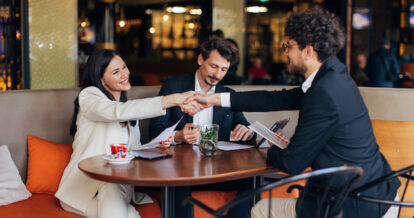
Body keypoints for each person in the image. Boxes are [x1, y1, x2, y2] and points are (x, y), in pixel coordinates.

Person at [184, 7, 400, 218]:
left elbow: (291, 163)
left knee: (257, 210)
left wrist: (266, 150)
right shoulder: (334, 74)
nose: (285, 51)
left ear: (308, 50)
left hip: (355, 206)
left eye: (289, 45)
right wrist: (213, 99)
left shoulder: (323, 93)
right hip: (380, 191)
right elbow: (275, 98)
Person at [55, 49, 200, 218]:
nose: (125, 74)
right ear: (101, 79)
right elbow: (116, 112)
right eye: (116, 72)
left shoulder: (128, 112)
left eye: (124, 67)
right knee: (126, 211)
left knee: (114, 187)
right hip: (82, 191)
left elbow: (133, 152)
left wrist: (159, 144)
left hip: (115, 187)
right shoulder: (89, 98)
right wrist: (174, 99)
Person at [149, 38, 255, 218]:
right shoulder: (174, 86)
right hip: (181, 170)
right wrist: (179, 136)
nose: (218, 75)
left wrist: (248, 131)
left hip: (219, 171)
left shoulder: (228, 95)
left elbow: (245, 127)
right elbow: (154, 131)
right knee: (178, 184)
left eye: (224, 69)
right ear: (200, 60)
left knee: (252, 181)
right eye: (214, 66)